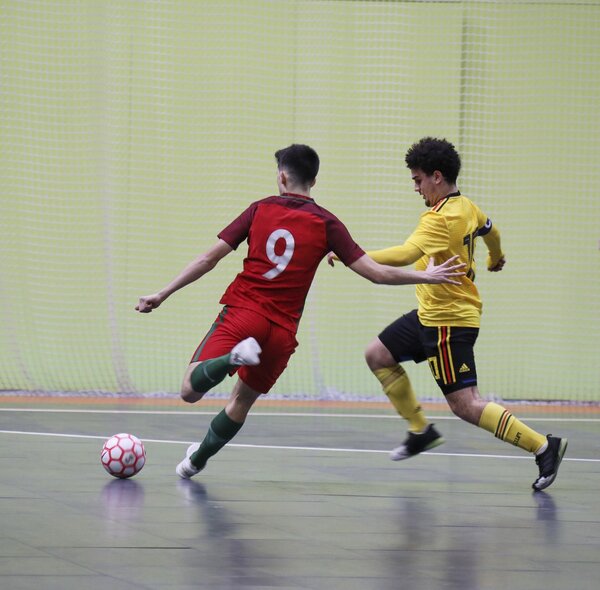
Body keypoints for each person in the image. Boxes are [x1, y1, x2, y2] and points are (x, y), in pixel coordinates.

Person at [135, 144, 465, 479]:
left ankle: (231, 359)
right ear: (314, 181)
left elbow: (209, 259)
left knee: (189, 390)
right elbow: (376, 273)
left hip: (245, 313)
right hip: (281, 333)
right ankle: (195, 461)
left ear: (282, 177)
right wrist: (426, 276)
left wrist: (163, 293)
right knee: (241, 402)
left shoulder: (260, 209)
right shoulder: (327, 223)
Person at [331, 137, 567, 491]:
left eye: (418, 180)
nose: (416, 188)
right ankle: (420, 430)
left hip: (448, 322)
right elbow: (492, 230)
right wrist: (495, 257)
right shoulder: (466, 206)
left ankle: (544, 447)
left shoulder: (439, 218)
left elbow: (406, 254)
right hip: (430, 314)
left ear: (437, 177)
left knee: (466, 405)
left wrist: (350, 253)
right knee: (377, 354)